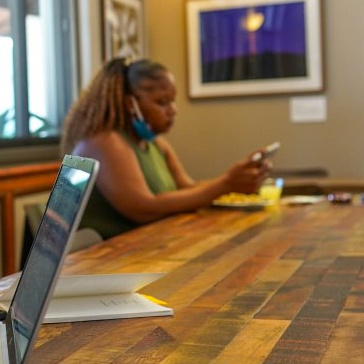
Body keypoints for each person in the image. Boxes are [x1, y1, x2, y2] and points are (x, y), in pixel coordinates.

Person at [61, 57, 270, 239]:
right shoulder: (104, 142)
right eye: (162, 102)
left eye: (173, 101)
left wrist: (237, 179)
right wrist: (226, 184)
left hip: (148, 248)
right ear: (130, 104)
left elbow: (188, 189)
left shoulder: (155, 143)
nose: (173, 110)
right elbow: (143, 209)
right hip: (102, 260)